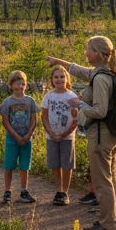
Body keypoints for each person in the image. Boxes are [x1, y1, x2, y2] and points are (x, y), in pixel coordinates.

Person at [47, 35, 116, 230]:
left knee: (102, 181)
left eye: (88, 50)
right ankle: (111, 220)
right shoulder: (106, 72)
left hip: (100, 135)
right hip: (110, 134)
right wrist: (57, 61)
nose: (86, 53)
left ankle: (108, 224)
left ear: (97, 53)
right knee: (110, 178)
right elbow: (79, 70)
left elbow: (99, 111)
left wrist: (79, 104)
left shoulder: (100, 79)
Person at [40, 64, 79, 205]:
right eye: (56, 77)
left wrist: (64, 134)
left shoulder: (71, 96)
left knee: (67, 165)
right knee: (55, 164)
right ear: (52, 79)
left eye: (62, 76)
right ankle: (58, 191)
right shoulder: (48, 96)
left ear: (67, 78)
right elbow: (44, 116)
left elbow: (76, 119)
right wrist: (51, 133)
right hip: (52, 136)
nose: (59, 79)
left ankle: (65, 192)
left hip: (67, 136)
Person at [0, 70, 39, 204]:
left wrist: (28, 134)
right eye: (17, 84)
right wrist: (16, 136)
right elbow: (5, 122)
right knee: (9, 164)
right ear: (11, 85)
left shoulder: (30, 101)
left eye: (22, 84)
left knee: (24, 165)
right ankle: (7, 191)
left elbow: (34, 120)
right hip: (12, 138)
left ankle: (24, 190)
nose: (20, 86)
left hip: (27, 138)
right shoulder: (7, 102)